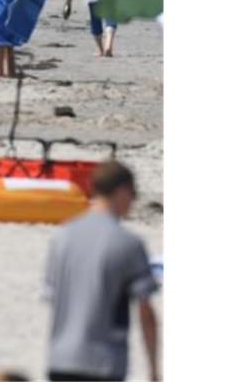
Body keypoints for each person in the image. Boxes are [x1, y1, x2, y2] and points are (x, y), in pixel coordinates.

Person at [45, 161, 159, 382]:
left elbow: (52, 296)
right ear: (122, 191)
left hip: (60, 359)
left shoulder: (62, 237)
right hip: (103, 361)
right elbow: (146, 313)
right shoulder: (128, 243)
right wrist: (154, 369)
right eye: (133, 195)